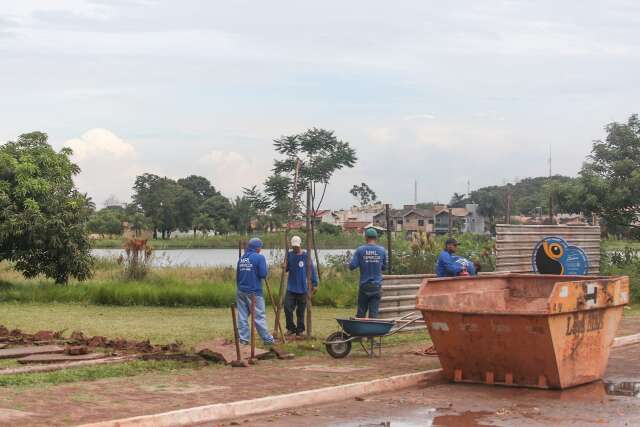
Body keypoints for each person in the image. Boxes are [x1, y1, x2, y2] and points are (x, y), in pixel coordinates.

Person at [236, 237, 274, 346]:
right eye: (260, 248)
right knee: (259, 316)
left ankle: (243, 340)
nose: (260, 250)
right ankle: (267, 340)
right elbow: (263, 274)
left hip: (241, 290)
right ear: (258, 248)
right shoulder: (259, 257)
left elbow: (237, 276)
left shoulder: (242, 258)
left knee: (242, 316)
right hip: (254, 292)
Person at [284, 236, 318, 336]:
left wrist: (314, 284)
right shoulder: (289, 255)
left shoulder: (306, 256)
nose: (295, 248)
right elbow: (286, 269)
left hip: (303, 288)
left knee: (301, 311)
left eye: (297, 246)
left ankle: (300, 330)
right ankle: (291, 328)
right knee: (287, 308)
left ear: (300, 245)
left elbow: (311, 270)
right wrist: (284, 266)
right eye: (294, 246)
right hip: (291, 287)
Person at [349, 228, 387, 318]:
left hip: (364, 286)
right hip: (376, 286)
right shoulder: (382, 250)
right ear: (376, 238)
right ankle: (372, 330)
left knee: (361, 313)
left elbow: (352, 266)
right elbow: (384, 267)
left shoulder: (360, 250)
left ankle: (360, 330)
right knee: (374, 314)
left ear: (366, 238)